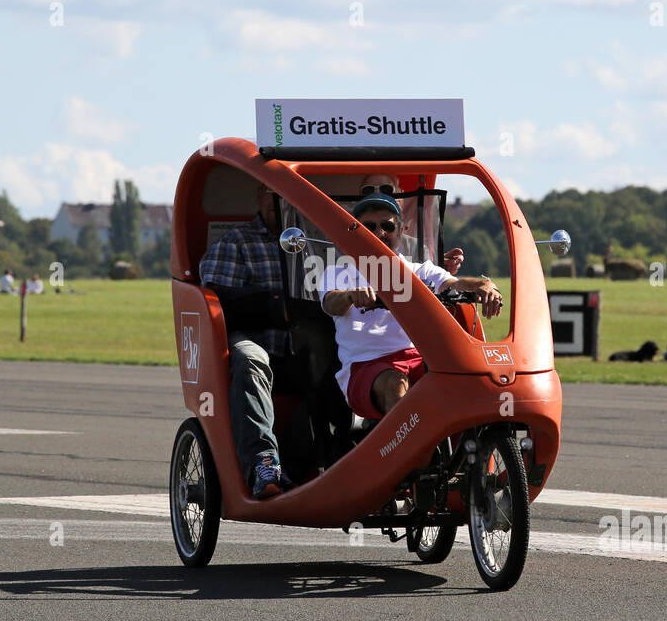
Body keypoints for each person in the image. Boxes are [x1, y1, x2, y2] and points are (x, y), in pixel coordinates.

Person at [319, 193, 502, 420]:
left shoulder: (420, 271)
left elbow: (453, 283)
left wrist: (484, 285)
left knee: (472, 377)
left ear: (401, 230)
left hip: (421, 359)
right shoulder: (337, 273)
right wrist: (349, 295)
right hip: (365, 366)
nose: (379, 233)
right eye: (369, 226)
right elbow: (330, 303)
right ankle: (412, 454)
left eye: (387, 225)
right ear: (356, 231)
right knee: (395, 383)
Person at [199, 183, 298, 499]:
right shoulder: (237, 242)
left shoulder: (316, 242)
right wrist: (276, 306)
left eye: (285, 193)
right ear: (259, 197)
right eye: (271, 193)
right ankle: (263, 465)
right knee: (250, 358)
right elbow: (219, 300)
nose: (278, 200)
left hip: (303, 344)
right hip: (255, 340)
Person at [357, 173, 463, 274]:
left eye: (386, 190)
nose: (378, 195)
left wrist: (440, 266)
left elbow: (428, 276)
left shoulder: (416, 248)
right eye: (368, 191)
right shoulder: (344, 244)